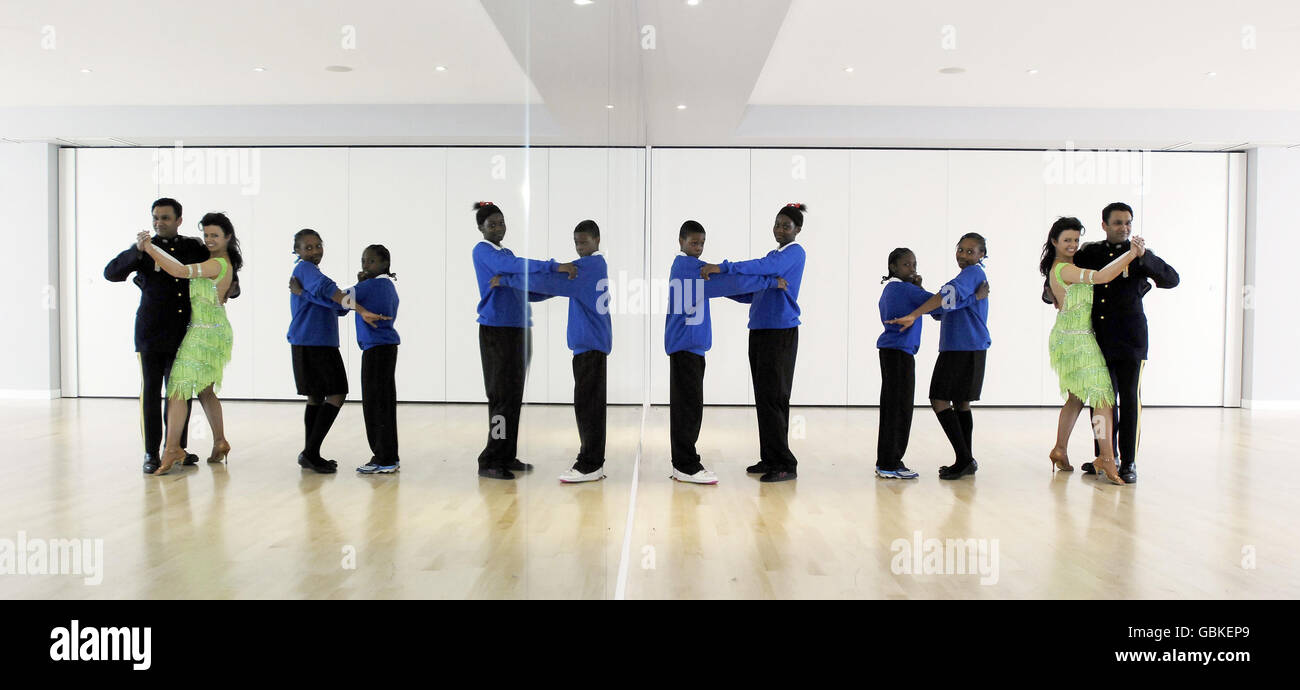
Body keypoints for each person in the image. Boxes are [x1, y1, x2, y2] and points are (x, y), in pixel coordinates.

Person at [665, 220, 786, 484]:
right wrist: (770, 283)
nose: (698, 247)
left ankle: (683, 462)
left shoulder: (694, 269)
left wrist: (756, 293)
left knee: (689, 406)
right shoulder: (688, 268)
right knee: (688, 408)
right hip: (685, 347)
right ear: (681, 242)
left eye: (701, 243)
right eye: (693, 242)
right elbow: (728, 284)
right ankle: (685, 465)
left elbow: (726, 289)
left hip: (690, 347)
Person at [492, 220, 611, 483]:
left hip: (590, 346)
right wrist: (517, 289)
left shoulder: (588, 267)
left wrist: (508, 279)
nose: (580, 247)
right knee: (587, 405)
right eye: (577, 242)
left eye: (584, 242)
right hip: (589, 346)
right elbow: (549, 290)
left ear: (597, 240)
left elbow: (550, 282)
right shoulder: (591, 267)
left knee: (588, 407)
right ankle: (592, 461)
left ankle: (590, 464)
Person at [1069, 203, 1179, 484]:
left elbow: (1171, 279)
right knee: (1101, 401)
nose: (1124, 227)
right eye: (1118, 223)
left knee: (1130, 400)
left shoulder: (1139, 255)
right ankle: (1104, 457)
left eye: (1128, 222)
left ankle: (1128, 461)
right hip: (1099, 338)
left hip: (1131, 339)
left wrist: (1145, 259)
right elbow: (1067, 276)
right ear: (1104, 225)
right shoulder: (1091, 253)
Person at [700, 203, 807, 483]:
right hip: (759, 331)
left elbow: (765, 268)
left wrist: (724, 267)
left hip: (779, 333)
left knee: (774, 397)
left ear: (798, 230)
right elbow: (753, 293)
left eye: (786, 225)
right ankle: (770, 457)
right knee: (764, 398)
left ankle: (784, 463)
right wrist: (722, 287)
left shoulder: (793, 253)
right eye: (777, 224)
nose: (780, 229)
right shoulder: (774, 255)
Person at [471, 202, 578, 480]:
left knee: (513, 397)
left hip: (518, 331)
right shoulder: (484, 251)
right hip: (497, 331)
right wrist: (554, 266)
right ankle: (490, 459)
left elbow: (524, 289)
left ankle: (507, 454)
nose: (498, 227)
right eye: (492, 224)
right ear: (481, 228)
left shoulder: (506, 252)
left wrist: (557, 287)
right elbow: (513, 267)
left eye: (501, 222)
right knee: (500, 397)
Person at [104, 198, 207, 474]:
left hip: (183, 330)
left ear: (178, 220)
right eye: (155, 218)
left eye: (165, 218)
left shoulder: (192, 246)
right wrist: (137, 253)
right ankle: (151, 452)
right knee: (151, 391)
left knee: (180, 391)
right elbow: (111, 273)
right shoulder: (144, 249)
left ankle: (176, 448)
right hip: (150, 331)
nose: (159, 223)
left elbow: (211, 273)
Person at [135, 213, 242, 475]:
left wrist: (149, 248)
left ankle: (172, 448)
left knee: (177, 389)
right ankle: (219, 441)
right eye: (206, 235)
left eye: (214, 235)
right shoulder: (222, 262)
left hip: (203, 334)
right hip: (214, 330)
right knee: (205, 391)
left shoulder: (216, 264)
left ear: (228, 237)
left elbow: (180, 271)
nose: (209, 240)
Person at [1041, 217, 1143, 485]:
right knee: (1104, 398)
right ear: (1054, 242)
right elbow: (1101, 277)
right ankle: (1107, 457)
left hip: (1068, 337)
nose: (1073, 245)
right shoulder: (1065, 269)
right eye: (1067, 240)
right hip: (1079, 341)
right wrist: (1131, 254)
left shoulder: (1061, 267)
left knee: (1075, 398)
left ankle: (1060, 449)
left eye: (1076, 239)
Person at [875, 248, 989, 479]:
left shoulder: (893, 289)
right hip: (899, 354)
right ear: (893, 268)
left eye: (914, 264)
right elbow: (940, 304)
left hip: (893, 353)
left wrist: (922, 301)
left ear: (982, 254)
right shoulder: (903, 289)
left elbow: (936, 310)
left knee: (894, 409)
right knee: (900, 410)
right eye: (907, 265)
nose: (913, 268)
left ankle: (889, 461)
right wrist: (975, 297)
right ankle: (890, 463)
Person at [287, 229, 390, 474]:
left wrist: (351, 296)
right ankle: (310, 452)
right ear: (298, 252)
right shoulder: (305, 269)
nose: (314, 251)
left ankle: (310, 453)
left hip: (313, 342)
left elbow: (332, 303)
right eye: (308, 247)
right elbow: (329, 292)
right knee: (337, 393)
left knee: (316, 396)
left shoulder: (309, 275)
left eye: (318, 246)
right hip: (315, 343)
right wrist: (360, 309)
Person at [352, 245, 401, 475]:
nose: (365, 265)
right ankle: (389, 456)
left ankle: (384, 458)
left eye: (371, 261)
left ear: (384, 264)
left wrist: (303, 292)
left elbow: (340, 300)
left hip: (376, 351)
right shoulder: (386, 285)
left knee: (375, 406)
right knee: (385, 404)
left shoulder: (373, 286)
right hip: (386, 349)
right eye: (363, 260)